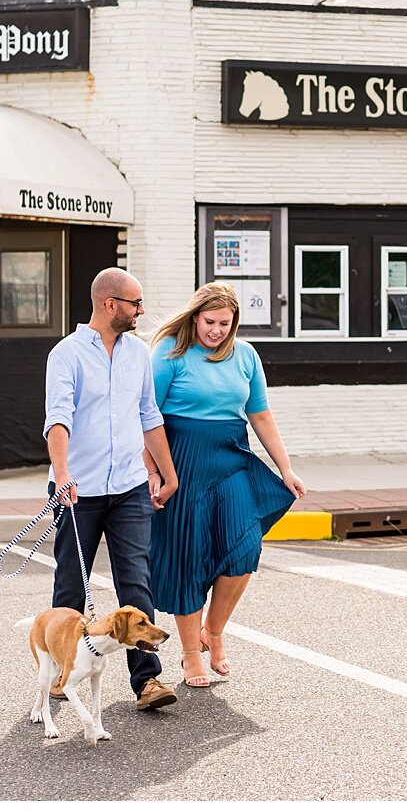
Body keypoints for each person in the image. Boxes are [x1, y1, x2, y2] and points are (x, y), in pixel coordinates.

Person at [144, 282, 305, 688]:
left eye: (224, 323)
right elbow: (145, 415)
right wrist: (155, 471)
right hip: (181, 459)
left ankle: (213, 631)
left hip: (231, 456)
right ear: (195, 316)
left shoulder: (246, 355)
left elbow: (261, 414)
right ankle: (190, 655)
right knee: (188, 556)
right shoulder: (170, 352)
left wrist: (285, 468)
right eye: (209, 321)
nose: (215, 330)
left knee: (244, 547)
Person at [43, 267, 181, 711]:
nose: (141, 311)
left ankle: (147, 682)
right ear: (109, 304)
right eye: (134, 303)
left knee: (136, 582)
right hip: (76, 489)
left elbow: (149, 415)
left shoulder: (139, 353)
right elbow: (57, 418)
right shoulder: (66, 354)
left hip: (128, 487)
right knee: (70, 585)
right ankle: (63, 675)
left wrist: (167, 471)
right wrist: (61, 473)